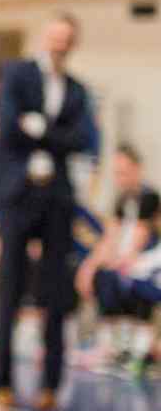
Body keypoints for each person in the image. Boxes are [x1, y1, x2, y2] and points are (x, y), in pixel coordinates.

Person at [0, 12, 97, 411]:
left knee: (55, 292)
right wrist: (51, 135)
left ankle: (51, 385)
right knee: (11, 288)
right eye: (55, 36)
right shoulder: (17, 75)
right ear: (45, 37)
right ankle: (2, 382)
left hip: (56, 200)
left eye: (67, 37)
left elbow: (81, 139)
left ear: (73, 43)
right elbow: (7, 126)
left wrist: (39, 129)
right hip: (18, 196)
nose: (59, 43)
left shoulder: (77, 91)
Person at [76, 144, 160, 379]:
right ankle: (112, 348)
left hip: (147, 264)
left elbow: (138, 240)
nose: (119, 179)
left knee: (125, 279)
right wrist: (89, 267)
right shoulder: (122, 199)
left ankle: (139, 353)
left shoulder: (148, 198)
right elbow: (110, 237)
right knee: (104, 277)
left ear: (137, 169)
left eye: (123, 172)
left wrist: (117, 262)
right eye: (116, 173)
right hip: (126, 264)